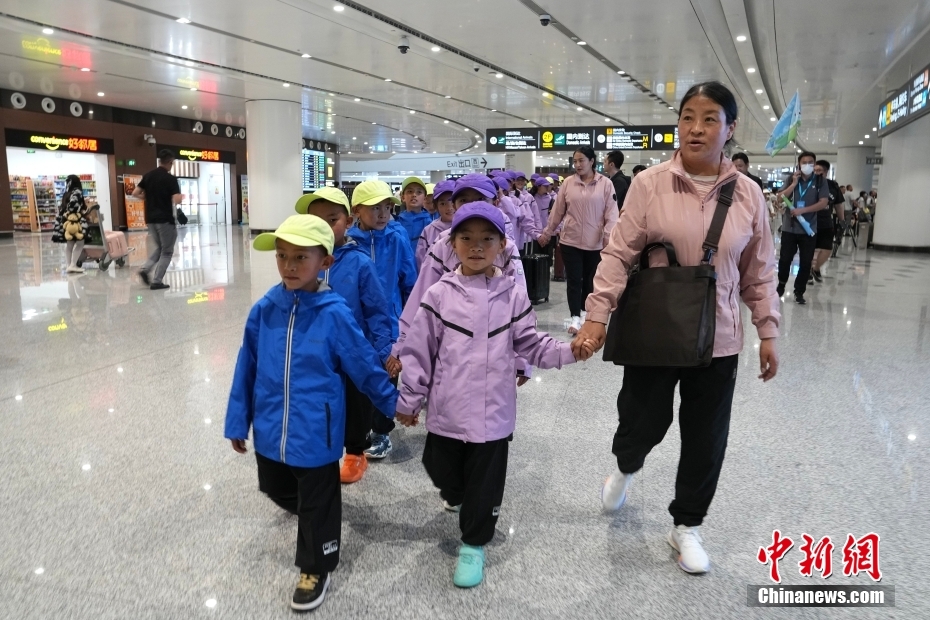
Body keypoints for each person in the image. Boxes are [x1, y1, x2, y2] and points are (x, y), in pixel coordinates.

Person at [573, 80, 780, 575]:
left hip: (719, 337)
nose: (696, 128)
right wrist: (597, 315)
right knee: (642, 420)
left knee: (707, 436)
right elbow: (618, 253)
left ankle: (686, 525)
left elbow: (759, 270)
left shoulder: (748, 194)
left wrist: (768, 330)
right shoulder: (650, 184)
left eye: (710, 119)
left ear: (730, 128)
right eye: (688, 117)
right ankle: (626, 466)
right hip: (657, 326)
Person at [395, 202, 594, 588]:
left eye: (487, 239)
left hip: (493, 415)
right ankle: (461, 497)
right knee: (439, 467)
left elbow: (531, 345)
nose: (476, 246)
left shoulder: (513, 296)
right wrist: (409, 399)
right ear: (452, 244)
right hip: (447, 410)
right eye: (466, 238)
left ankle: (474, 543)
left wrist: (570, 352)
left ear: (503, 245)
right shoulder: (438, 295)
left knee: (484, 486)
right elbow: (419, 351)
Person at [224, 214, 399, 612]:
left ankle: (315, 566)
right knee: (274, 486)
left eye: (301, 257)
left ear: (325, 262)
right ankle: (316, 514)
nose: (289, 265)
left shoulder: (334, 314)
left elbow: (363, 365)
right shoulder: (264, 309)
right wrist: (237, 419)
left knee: (318, 502)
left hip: (317, 430)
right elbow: (246, 366)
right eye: (282, 256)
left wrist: (395, 404)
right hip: (270, 428)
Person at [295, 188, 396, 484]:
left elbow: (376, 309)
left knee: (355, 403)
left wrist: (383, 350)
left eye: (332, 219)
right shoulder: (304, 258)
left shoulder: (359, 262)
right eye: (316, 220)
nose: (324, 227)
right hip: (316, 350)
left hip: (354, 350)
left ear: (348, 221)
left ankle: (355, 452)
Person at [346, 180, 418, 459]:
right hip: (356, 323)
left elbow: (409, 282)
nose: (383, 214)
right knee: (359, 378)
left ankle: (381, 431)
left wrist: (410, 322)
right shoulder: (348, 243)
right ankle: (360, 429)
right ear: (356, 210)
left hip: (390, 321)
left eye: (387, 207)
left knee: (387, 375)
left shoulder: (396, 239)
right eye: (375, 208)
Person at [537, 145, 619, 334]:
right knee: (574, 280)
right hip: (570, 241)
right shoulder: (568, 183)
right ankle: (575, 317)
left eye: (581, 160)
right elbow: (558, 211)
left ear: (592, 161)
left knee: (589, 281)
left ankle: (584, 313)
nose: (578, 165)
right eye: (575, 161)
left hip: (595, 243)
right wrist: (547, 232)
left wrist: (608, 236)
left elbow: (612, 213)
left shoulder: (605, 184)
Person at [775, 151, 830, 304]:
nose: (807, 165)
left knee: (806, 262)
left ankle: (799, 291)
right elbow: (780, 198)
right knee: (785, 259)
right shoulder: (791, 179)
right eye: (804, 162)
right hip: (789, 228)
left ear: (814, 164)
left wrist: (803, 210)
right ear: (799, 164)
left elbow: (823, 202)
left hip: (808, 229)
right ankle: (781, 285)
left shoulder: (820, 181)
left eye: (810, 162)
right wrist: (793, 184)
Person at [134, 149, 182, 290]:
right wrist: (174, 197)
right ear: (170, 162)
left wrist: (147, 197)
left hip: (150, 219)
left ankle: (145, 269)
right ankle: (157, 281)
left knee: (161, 248)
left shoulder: (148, 176)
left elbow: (135, 192)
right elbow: (177, 200)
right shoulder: (171, 179)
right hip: (165, 219)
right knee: (167, 251)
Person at [810, 160, 845, 283]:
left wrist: (842, 220)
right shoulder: (807, 184)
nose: (816, 173)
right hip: (809, 222)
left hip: (826, 222)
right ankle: (807, 272)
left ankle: (816, 268)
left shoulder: (833, 186)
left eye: (819, 170)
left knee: (827, 249)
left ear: (826, 172)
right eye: (814, 170)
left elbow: (838, 205)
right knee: (808, 249)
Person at [51, 174, 92, 273]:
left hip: (65, 221)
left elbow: (65, 206)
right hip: (74, 222)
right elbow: (73, 205)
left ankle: (68, 265)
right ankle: (73, 265)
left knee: (69, 244)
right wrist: (80, 210)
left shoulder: (67, 193)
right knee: (80, 242)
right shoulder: (77, 192)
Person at [415, 180, 456, 268]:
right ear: (436, 206)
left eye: (452, 202)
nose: (449, 208)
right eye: (443, 203)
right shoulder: (428, 231)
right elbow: (421, 260)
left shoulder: (467, 227)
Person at [395, 177, 433, 252]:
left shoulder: (430, 223)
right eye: (410, 191)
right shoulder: (397, 223)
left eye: (419, 192)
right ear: (403, 197)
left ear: (424, 199)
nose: (414, 195)